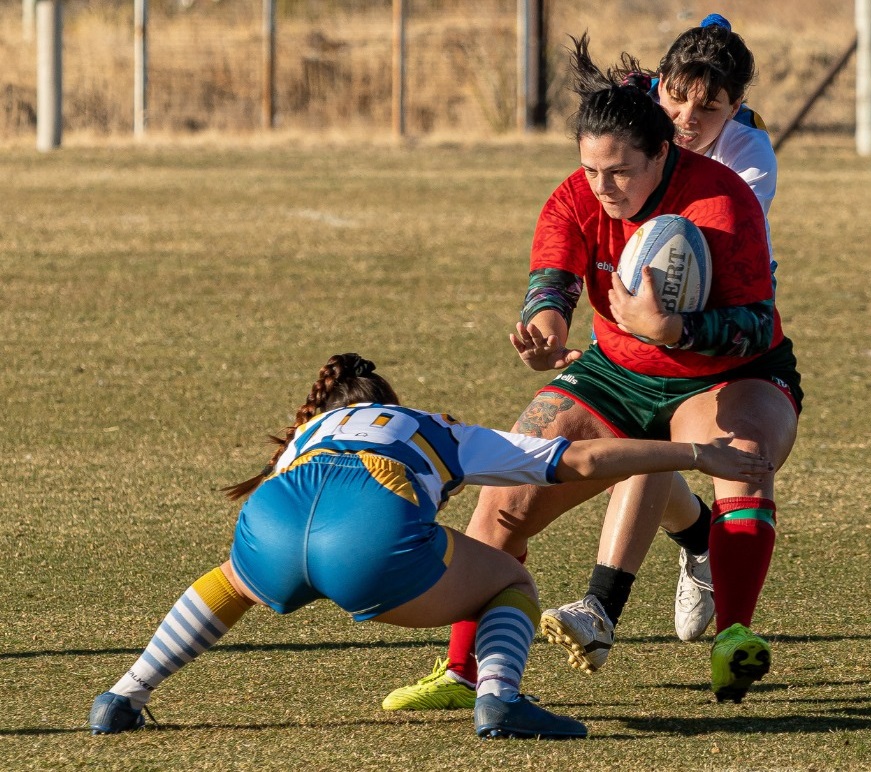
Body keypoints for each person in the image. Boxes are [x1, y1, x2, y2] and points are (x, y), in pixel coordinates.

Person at [382, 31, 801, 711]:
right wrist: (545, 326)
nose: (603, 188)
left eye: (620, 173)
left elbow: (755, 321)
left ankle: (734, 639)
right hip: (618, 369)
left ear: (660, 155)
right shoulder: (576, 195)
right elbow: (551, 279)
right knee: (504, 498)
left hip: (730, 372)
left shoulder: (724, 200)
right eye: (591, 171)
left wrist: (677, 330)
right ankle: (464, 673)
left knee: (744, 459)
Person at [87, 352, 773, 738]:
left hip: (273, 520)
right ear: (389, 397)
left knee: (232, 582)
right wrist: (690, 451)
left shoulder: (308, 434)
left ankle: (123, 694)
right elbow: (583, 461)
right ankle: (498, 697)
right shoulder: (431, 426)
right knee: (511, 578)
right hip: (366, 542)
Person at [548, 11, 783, 661]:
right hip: (638, 310)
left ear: (736, 108)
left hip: (711, 312)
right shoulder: (640, 111)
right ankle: (695, 542)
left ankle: (613, 602)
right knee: (644, 438)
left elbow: (694, 252)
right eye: (676, 96)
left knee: (662, 434)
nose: (687, 117)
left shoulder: (746, 154)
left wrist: (654, 321)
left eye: (709, 107)